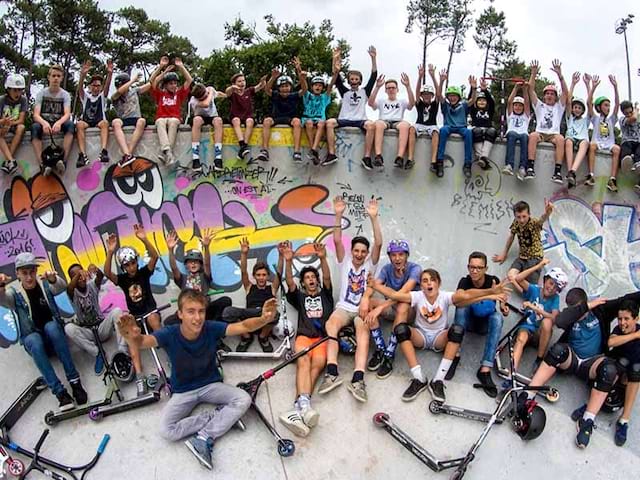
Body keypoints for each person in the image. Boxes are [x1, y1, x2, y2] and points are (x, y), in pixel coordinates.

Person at [116, 289, 277, 470]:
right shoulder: (169, 333)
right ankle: (216, 417)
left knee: (243, 399)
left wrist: (264, 319)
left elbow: (244, 327)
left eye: (201, 311)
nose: (197, 317)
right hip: (183, 391)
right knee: (166, 430)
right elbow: (143, 342)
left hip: (211, 385)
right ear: (180, 314)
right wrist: (131, 337)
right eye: (191, 311)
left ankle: (203, 437)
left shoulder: (210, 327)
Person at [519, 288, 640, 449]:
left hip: (592, 362)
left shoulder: (601, 309)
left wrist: (592, 306)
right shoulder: (572, 314)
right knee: (557, 350)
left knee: (609, 369)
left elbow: (627, 298)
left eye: (579, 308)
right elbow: (560, 321)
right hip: (572, 359)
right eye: (574, 309)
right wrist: (584, 307)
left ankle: (587, 420)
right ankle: (528, 394)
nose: (578, 314)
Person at [368, 269, 509, 403]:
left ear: (438, 283)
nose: (429, 283)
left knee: (457, 330)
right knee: (400, 330)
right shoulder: (417, 296)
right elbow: (394, 295)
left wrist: (491, 291)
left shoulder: (445, 296)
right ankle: (419, 379)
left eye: (432, 280)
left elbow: (465, 295)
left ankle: (438, 381)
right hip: (420, 336)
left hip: (439, 339)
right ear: (421, 285)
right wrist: (375, 285)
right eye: (425, 281)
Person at [0, 252, 87, 411]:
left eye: (32, 272)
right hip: (36, 345)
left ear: (36, 271)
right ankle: (61, 394)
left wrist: (53, 279)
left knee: (52, 327)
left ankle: (75, 382)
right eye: (24, 273)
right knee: (33, 339)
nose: (29, 277)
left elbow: (61, 287)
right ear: (18, 274)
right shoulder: (14, 293)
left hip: (54, 339)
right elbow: (3, 300)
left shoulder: (44, 283)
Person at [317, 195, 382, 402]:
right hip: (344, 307)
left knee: (363, 332)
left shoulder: (370, 265)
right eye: (356, 250)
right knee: (330, 325)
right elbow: (336, 239)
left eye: (363, 251)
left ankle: (358, 378)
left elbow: (379, 243)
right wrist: (338, 214)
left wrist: (373, 218)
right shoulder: (343, 261)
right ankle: (332, 372)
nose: (360, 254)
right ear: (351, 251)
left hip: (361, 309)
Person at [279, 241, 333, 437]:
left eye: (313, 277)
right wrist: (288, 261)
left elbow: (327, 276)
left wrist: (323, 258)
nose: (310, 279)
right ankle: (305, 404)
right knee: (303, 361)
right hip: (303, 337)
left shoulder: (326, 295)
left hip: (321, 340)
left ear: (316, 281)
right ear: (303, 283)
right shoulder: (300, 297)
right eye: (307, 278)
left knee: (317, 365)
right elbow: (289, 283)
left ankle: (298, 407)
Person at [103, 224, 161, 396]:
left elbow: (155, 256)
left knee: (153, 321)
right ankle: (140, 376)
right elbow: (107, 272)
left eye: (133, 263)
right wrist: (110, 251)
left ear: (137, 261)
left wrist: (143, 238)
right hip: (135, 317)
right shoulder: (122, 279)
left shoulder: (144, 273)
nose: (131, 267)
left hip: (150, 311)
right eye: (127, 265)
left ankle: (173, 357)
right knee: (132, 339)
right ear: (123, 267)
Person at [449, 252, 510, 397]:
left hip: (484, 325)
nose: (475, 271)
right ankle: (454, 355)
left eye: (479, 268)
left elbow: (502, 301)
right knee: (461, 306)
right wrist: (488, 295)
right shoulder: (464, 281)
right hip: (467, 322)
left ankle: (485, 370)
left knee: (497, 318)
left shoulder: (494, 281)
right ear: (468, 267)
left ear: (485, 268)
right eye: (472, 267)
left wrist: (503, 307)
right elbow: (457, 300)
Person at [365, 239, 421, 379]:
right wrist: (365, 299)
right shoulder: (386, 269)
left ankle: (389, 354)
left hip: (409, 313)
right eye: (394, 255)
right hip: (391, 308)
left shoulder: (415, 269)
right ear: (389, 256)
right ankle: (380, 348)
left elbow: (403, 293)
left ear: (407, 256)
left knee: (402, 304)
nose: (397, 258)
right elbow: (373, 286)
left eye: (401, 254)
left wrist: (381, 307)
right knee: (369, 303)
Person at [64, 263, 127, 375]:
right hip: (88, 333)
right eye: (77, 276)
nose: (81, 277)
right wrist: (78, 274)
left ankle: (123, 352)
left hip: (102, 327)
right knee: (69, 328)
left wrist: (96, 270)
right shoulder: (71, 292)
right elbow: (69, 287)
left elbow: (100, 277)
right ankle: (97, 353)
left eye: (82, 273)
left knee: (117, 311)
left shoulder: (92, 285)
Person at [221, 238, 283, 353]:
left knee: (275, 314)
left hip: (265, 317)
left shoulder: (272, 288)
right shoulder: (249, 287)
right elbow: (244, 271)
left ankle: (263, 338)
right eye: (258, 275)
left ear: (268, 276)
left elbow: (279, 273)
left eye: (264, 275)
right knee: (227, 312)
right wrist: (244, 253)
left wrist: (280, 255)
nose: (261, 277)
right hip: (248, 316)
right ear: (254, 276)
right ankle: (246, 337)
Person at [164, 229, 232, 331]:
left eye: (196, 262)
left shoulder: (204, 276)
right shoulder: (183, 279)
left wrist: (206, 247)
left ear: (200, 264)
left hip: (204, 310)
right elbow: (174, 268)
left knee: (226, 301)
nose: (193, 264)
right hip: (189, 312)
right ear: (186, 265)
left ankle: (212, 329)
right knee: (168, 322)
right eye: (190, 262)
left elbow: (207, 264)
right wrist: (170, 250)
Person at [325, 46, 378, 170]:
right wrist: (335, 58)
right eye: (352, 79)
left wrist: (373, 58)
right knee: (329, 123)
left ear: (360, 81)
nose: (354, 81)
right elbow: (336, 75)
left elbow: (373, 76)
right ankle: (332, 154)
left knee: (371, 125)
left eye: (356, 79)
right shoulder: (344, 92)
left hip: (360, 120)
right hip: (345, 119)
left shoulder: (365, 91)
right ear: (349, 81)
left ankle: (366, 157)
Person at [510, 258, 565, 375]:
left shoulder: (555, 299)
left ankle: (539, 359)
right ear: (545, 280)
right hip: (527, 328)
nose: (551, 288)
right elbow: (518, 278)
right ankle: (512, 374)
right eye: (550, 283)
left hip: (540, 335)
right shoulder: (535, 289)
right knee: (521, 339)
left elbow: (554, 317)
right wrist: (538, 266)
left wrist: (535, 308)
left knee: (547, 322)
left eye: (556, 288)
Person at [492, 199, 553, 284]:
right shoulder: (516, 223)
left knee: (531, 285)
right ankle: (522, 282)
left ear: (529, 214)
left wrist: (547, 213)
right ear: (515, 216)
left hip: (534, 258)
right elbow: (511, 236)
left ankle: (529, 290)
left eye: (524, 216)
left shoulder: (533, 223)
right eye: (518, 217)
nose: (521, 220)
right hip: (522, 258)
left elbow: (541, 220)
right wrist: (504, 254)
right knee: (511, 276)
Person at [527, 59, 569, 181]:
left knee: (561, 139)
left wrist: (560, 76)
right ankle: (530, 168)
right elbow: (530, 90)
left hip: (553, 135)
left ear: (555, 97)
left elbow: (566, 93)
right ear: (544, 96)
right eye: (547, 94)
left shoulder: (558, 107)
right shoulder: (539, 105)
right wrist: (533, 74)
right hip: (540, 133)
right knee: (533, 135)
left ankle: (557, 171)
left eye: (552, 94)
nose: (549, 96)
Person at [31, 64, 75, 176]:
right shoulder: (42, 93)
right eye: (53, 75)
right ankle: (42, 164)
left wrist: (59, 123)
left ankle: (63, 160)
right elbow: (36, 115)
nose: (55, 78)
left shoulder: (65, 95)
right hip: (44, 122)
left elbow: (67, 114)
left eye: (58, 76)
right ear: (49, 77)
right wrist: (44, 123)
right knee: (35, 127)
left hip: (58, 122)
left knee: (70, 125)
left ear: (61, 78)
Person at [608, 300, 640, 446]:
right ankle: (591, 404)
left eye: (626, 319)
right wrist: (635, 336)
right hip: (614, 372)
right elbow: (611, 342)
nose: (622, 323)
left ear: (636, 319)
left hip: (630, 377)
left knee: (636, 369)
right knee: (622, 363)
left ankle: (624, 420)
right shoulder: (618, 330)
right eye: (620, 319)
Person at [259, 57, 304, 162]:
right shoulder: (276, 94)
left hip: (290, 118)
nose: (285, 89)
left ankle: (297, 151)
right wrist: (273, 77)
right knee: (266, 121)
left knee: (297, 122)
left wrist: (299, 72)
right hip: (276, 118)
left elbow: (305, 89)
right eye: (282, 87)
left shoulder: (294, 95)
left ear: (290, 87)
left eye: (287, 86)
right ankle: (264, 150)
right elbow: (267, 89)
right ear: (279, 88)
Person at [149, 56, 192, 165]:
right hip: (161, 118)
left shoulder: (179, 94)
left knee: (173, 121)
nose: (174, 85)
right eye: (171, 83)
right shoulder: (160, 94)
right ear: (165, 85)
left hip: (174, 118)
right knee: (160, 122)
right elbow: (152, 81)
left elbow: (189, 80)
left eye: (175, 83)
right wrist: (162, 68)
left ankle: (166, 152)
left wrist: (181, 67)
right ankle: (168, 153)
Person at [368, 73, 416, 169]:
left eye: (393, 88)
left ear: (397, 90)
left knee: (405, 125)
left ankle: (400, 157)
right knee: (378, 124)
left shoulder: (402, 101)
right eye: (388, 88)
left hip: (397, 122)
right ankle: (378, 156)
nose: (391, 89)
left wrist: (408, 86)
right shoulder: (381, 101)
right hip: (384, 121)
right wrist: (377, 87)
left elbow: (412, 104)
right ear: (385, 90)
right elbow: (370, 103)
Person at [435, 70, 476, 178]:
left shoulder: (463, 105)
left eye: (454, 96)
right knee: (443, 130)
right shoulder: (446, 105)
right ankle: (439, 161)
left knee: (468, 133)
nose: (452, 98)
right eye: (450, 96)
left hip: (461, 127)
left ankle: (467, 164)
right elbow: (438, 95)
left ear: (458, 97)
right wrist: (441, 81)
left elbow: (472, 100)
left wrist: (474, 88)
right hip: (449, 126)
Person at [300, 53, 339, 165]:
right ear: (312, 87)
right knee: (308, 123)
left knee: (322, 123)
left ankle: (313, 149)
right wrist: (301, 76)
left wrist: (335, 73)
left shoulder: (324, 97)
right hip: (308, 118)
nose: (318, 87)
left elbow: (331, 85)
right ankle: (314, 150)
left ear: (322, 88)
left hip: (320, 119)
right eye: (315, 85)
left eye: (320, 85)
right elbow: (303, 86)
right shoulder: (307, 96)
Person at [75, 60, 113, 168]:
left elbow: (107, 86)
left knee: (105, 123)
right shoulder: (86, 97)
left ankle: (104, 151)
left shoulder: (102, 97)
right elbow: (80, 89)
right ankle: (82, 154)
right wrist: (82, 75)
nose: (96, 88)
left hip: (99, 121)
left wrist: (110, 73)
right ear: (90, 86)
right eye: (94, 85)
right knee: (79, 124)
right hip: (87, 121)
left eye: (98, 86)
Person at [586, 75, 621, 192]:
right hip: (598, 143)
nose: (608, 107)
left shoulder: (612, 119)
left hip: (609, 144)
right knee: (592, 145)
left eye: (608, 105)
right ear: (599, 107)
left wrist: (615, 87)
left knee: (616, 149)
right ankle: (591, 175)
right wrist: (593, 87)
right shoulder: (595, 118)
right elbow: (588, 103)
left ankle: (612, 179)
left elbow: (617, 104)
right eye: (606, 105)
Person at [111, 70, 151, 168]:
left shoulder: (134, 91)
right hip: (123, 119)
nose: (119, 88)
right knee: (115, 122)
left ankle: (128, 154)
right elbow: (120, 91)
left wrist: (162, 69)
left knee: (142, 121)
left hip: (136, 118)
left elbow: (151, 84)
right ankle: (127, 153)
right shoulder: (115, 96)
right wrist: (133, 80)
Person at [225, 72, 266, 160]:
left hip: (247, 116)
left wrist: (262, 81)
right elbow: (227, 92)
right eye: (239, 81)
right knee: (236, 120)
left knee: (250, 121)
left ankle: (244, 146)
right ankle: (242, 144)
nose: (242, 83)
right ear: (234, 84)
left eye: (243, 81)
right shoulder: (233, 93)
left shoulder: (249, 91)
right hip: (236, 116)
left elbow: (260, 86)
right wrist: (232, 88)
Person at [561, 72, 591, 188]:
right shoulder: (570, 118)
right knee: (568, 140)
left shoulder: (585, 120)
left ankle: (573, 171)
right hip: (571, 138)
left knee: (585, 143)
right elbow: (568, 101)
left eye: (579, 108)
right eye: (575, 107)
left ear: (582, 110)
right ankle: (570, 172)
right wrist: (573, 83)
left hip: (582, 139)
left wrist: (588, 85)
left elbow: (589, 104)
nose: (577, 109)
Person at [189, 83, 226, 172]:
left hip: (212, 116)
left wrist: (225, 95)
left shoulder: (209, 90)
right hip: (200, 117)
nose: (205, 97)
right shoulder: (193, 101)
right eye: (202, 98)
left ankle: (218, 158)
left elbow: (218, 94)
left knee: (218, 121)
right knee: (196, 120)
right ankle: (195, 159)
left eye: (205, 95)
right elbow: (206, 103)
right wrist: (210, 92)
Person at [415, 64, 441, 176]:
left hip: (431, 125)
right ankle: (410, 158)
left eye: (429, 95)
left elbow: (439, 93)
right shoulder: (419, 103)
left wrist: (433, 76)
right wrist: (420, 77)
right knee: (411, 129)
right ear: (421, 96)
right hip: (419, 124)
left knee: (436, 132)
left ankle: (433, 161)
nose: (426, 96)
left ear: (431, 96)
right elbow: (416, 92)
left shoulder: (435, 104)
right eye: (424, 95)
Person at [503, 81, 531, 179]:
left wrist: (524, 90)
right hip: (512, 132)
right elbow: (510, 101)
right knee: (512, 134)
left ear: (523, 107)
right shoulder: (510, 114)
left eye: (520, 106)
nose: (518, 107)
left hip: (523, 133)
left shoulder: (526, 115)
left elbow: (527, 102)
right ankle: (509, 165)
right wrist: (515, 88)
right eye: (516, 105)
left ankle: (522, 167)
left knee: (525, 137)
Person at [0, 73, 27, 175]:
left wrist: (10, 123)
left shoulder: (23, 99)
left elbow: (21, 120)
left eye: (20, 90)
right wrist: (4, 122)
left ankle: (9, 161)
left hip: (14, 125)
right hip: (3, 125)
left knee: (21, 127)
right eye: (15, 90)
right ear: (8, 90)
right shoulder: (2, 100)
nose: (17, 93)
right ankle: (11, 160)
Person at [469, 78, 497, 170]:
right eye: (479, 100)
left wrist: (485, 90)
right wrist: (472, 89)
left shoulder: (490, 110)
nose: (481, 102)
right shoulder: (474, 110)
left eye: (484, 100)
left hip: (487, 128)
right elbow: (470, 100)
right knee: (477, 131)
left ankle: (483, 157)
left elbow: (491, 102)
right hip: (477, 128)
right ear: (476, 102)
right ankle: (480, 157)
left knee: (492, 131)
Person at [619, 100, 640, 193]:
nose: (628, 114)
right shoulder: (622, 119)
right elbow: (634, 118)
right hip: (627, 141)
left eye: (630, 112)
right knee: (626, 147)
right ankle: (626, 161)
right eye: (626, 113)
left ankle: (637, 163)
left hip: (638, 142)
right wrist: (635, 109)